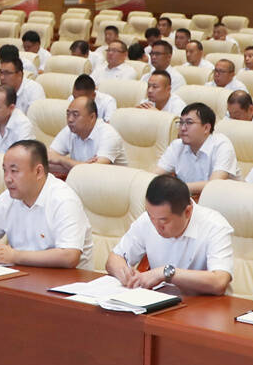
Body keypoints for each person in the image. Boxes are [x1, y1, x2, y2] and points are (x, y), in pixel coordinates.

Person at [0, 140, 92, 268]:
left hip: (66, 278)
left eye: (14, 171)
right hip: (22, 274)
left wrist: (14, 256)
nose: (7, 178)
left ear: (38, 172)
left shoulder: (63, 199)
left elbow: (69, 256)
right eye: (5, 170)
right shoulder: (8, 197)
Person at [106, 174, 234, 295]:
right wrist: (125, 275)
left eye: (163, 221)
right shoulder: (149, 219)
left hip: (204, 305)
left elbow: (219, 281)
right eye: (151, 217)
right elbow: (114, 258)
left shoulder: (215, 225)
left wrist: (165, 273)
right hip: (160, 302)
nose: (156, 226)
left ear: (188, 212)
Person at [155, 102, 239, 195]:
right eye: (181, 122)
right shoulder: (177, 145)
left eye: (189, 123)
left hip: (223, 199)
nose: (182, 128)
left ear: (206, 128)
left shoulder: (222, 145)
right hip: (189, 199)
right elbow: (155, 176)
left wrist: (176, 188)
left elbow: (214, 185)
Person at [48, 94, 125, 176]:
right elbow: (46, 160)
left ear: (92, 117)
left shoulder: (109, 135)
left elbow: (95, 171)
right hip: (81, 180)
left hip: (111, 182)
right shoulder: (69, 130)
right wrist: (82, 166)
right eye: (68, 114)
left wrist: (62, 160)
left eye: (75, 115)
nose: (70, 119)